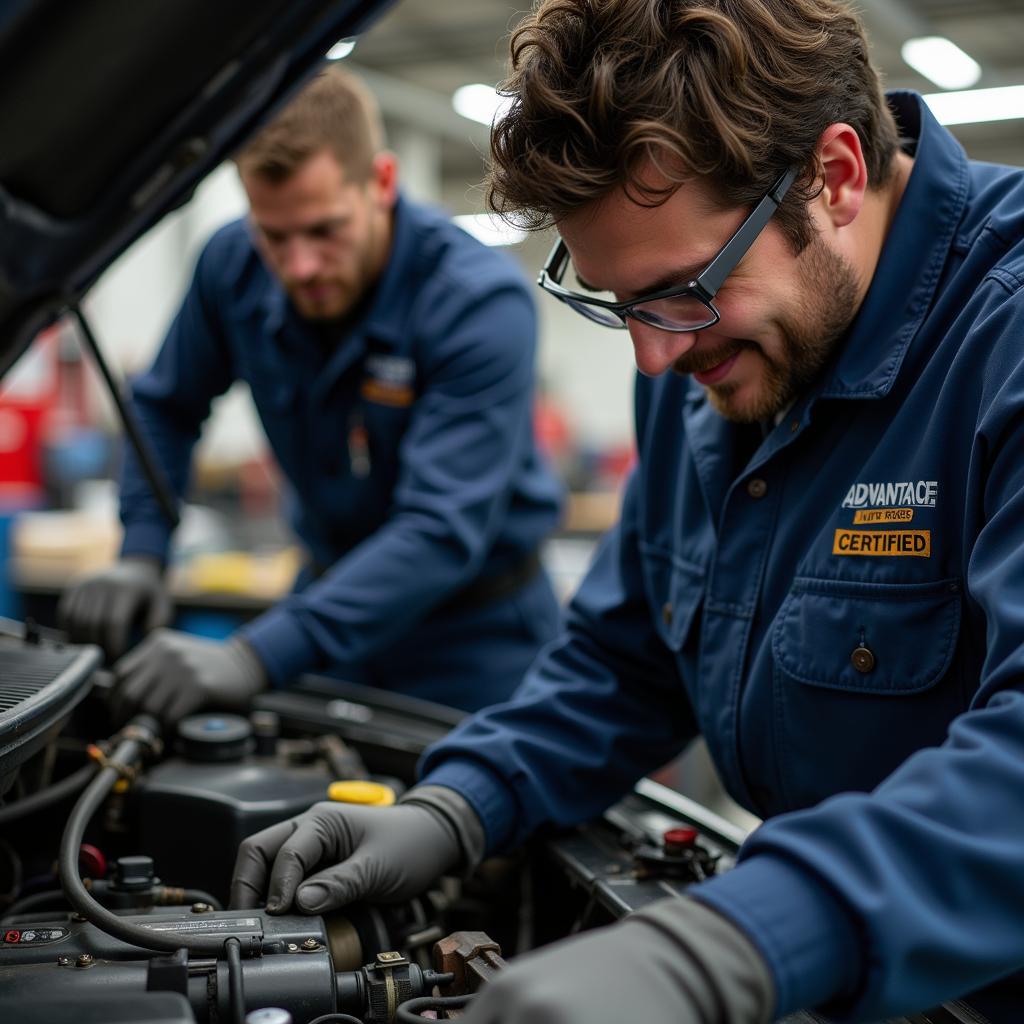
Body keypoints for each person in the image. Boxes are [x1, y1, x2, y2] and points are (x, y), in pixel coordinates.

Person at [229, 1, 1024, 1021]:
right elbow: (624, 662)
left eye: (681, 291)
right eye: (619, 305)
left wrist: (726, 946)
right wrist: (458, 802)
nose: (652, 358)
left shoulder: (1000, 338)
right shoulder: (699, 352)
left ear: (833, 176)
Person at [58, 67, 564, 718]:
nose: (299, 266)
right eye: (275, 235)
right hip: (326, 614)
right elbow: (165, 405)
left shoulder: (476, 301)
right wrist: (141, 552)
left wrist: (254, 656)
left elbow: (439, 529)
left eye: (324, 231)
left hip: (473, 640)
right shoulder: (231, 266)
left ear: (381, 184)